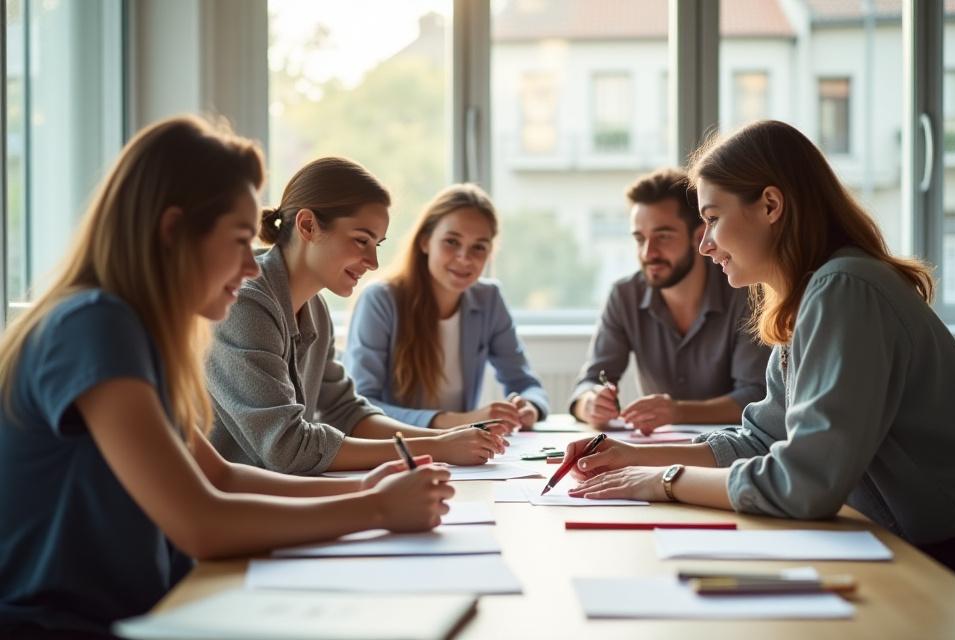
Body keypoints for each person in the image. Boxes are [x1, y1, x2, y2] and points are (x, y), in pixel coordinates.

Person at [0, 117, 454, 638]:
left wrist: (359, 489)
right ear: (173, 231)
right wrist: (373, 508)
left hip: (142, 613)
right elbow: (201, 524)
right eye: (240, 241)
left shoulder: (132, 331)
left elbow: (218, 476)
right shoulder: (95, 326)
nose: (250, 265)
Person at [562, 120, 955, 573]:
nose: (706, 244)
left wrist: (663, 480)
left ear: (771, 205)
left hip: (939, 560)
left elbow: (803, 484)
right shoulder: (813, 295)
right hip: (901, 547)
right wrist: (634, 455)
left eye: (711, 219)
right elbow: (763, 438)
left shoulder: (844, 289)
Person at [206, 161, 506, 475]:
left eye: (376, 245)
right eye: (362, 240)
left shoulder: (315, 309)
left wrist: (446, 439)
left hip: (278, 496)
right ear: (307, 226)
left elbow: (347, 412)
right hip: (228, 509)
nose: (374, 262)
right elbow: (287, 447)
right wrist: (436, 447)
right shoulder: (243, 302)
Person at [570, 168, 769, 434]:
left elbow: (755, 396)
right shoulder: (624, 295)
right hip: (660, 449)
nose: (648, 253)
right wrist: (590, 403)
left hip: (737, 447)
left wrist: (676, 411)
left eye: (663, 236)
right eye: (639, 239)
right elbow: (590, 381)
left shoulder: (745, 292)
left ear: (699, 236)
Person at [344, 184, 549, 430]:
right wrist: (454, 422)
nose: (464, 258)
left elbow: (526, 383)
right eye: (452, 242)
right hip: (399, 449)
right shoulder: (380, 300)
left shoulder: (489, 299)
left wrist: (529, 407)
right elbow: (360, 407)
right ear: (425, 242)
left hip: (461, 452)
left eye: (479, 247)